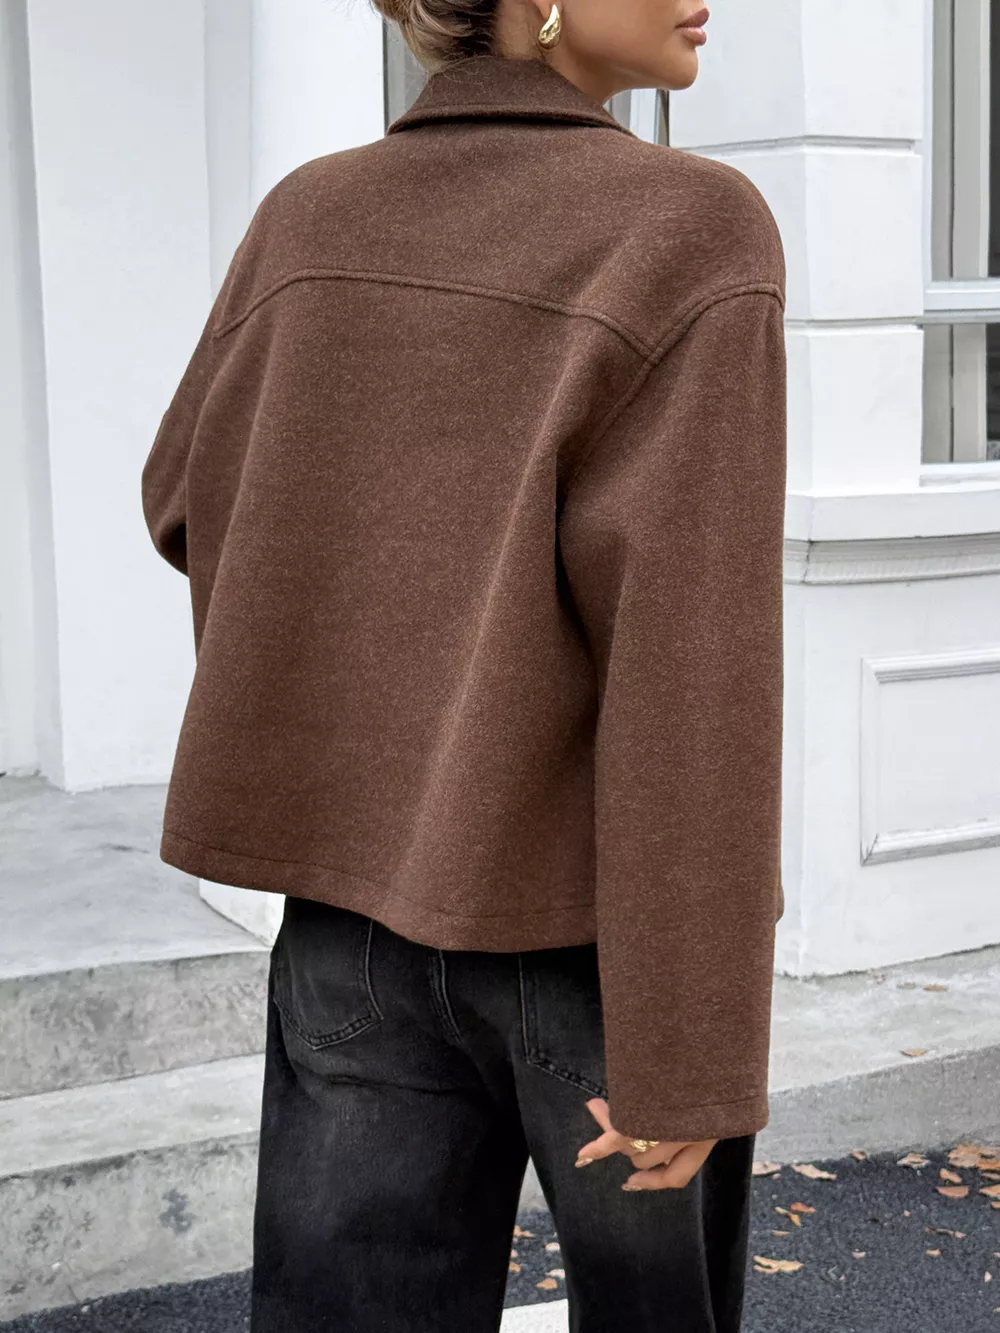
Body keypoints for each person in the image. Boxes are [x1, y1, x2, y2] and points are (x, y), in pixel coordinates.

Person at [141, 0, 787, 1328]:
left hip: (350, 931)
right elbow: (692, 665)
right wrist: (692, 1046)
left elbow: (182, 500)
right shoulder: (688, 224)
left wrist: (371, 650)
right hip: (603, 956)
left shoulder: (307, 217)